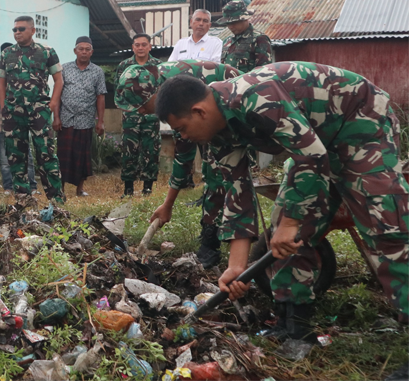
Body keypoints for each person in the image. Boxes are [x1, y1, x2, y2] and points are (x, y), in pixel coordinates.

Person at [154, 62, 409, 343]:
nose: (184, 137)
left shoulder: (255, 97)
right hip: (314, 145)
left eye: (183, 128)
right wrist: (236, 266)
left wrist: (292, 221)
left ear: (199, 111)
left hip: (359, 120)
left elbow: (311, 156)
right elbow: (238, 192)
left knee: (387, 227)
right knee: (282, 234)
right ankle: (295, 326)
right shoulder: (218, 133)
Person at [114, 60, 241, 268]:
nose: (140, 113)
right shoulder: (157, 84)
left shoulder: (174, 94)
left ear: (152, 95)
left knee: (216, 172)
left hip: (233, 104)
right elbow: (183, 153)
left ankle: (211, 243)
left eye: (141, 107)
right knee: (213, 170)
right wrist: (167, 205)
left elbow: (184, 153)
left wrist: (168, 204)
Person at [0, 16, 65, 205]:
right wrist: (3, 106)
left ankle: (56, 198)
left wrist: (52, 104)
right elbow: (0, 82)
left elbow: (59, 80)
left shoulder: (47, 52)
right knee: (16, 154)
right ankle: (22, 197)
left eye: (21, 29)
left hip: (39, 110)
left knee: (46, 153)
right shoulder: (6, 54)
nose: (17, 32)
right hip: (13, 111)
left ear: (33, 30)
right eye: (15, 30)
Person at [56, 36, 106, 197]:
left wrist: (101, 122)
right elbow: (56, 95)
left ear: (91, 52)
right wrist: (56, 117)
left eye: (87, 49)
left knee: (82, 156)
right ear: (75, 51)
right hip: (66, 119)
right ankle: (61, 189)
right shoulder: (64, 69)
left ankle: (80, 189)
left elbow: (100, 97)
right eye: (81, 49)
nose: (84, 52)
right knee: (63, 156)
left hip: (85, 120)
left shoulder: (97, 72)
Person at [0, 43, 37, 195]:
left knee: (26, 156)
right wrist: (5, 111)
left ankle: (32, 187)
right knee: (4, 159)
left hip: (21, 123)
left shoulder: (24, 76)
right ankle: (8, 187)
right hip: (0, 124)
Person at [116, 33, 161, 197]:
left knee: (151, 150)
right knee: (129, 151)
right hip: (131, 115)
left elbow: (162, 90)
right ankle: (128, 189)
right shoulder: (124, 65)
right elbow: (119, 89)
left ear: (150, 46)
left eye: (144, 44)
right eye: (137, 45)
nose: (140, 48)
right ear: (133, 47)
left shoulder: (158, 65)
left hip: (151, 115)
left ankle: (147, 188)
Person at [216, 0, 273, 73]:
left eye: (234, 22)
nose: (231, 26)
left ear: (245, 18)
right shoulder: (227, 41)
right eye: (228, 23)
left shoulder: (259, 39)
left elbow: (264, 72)